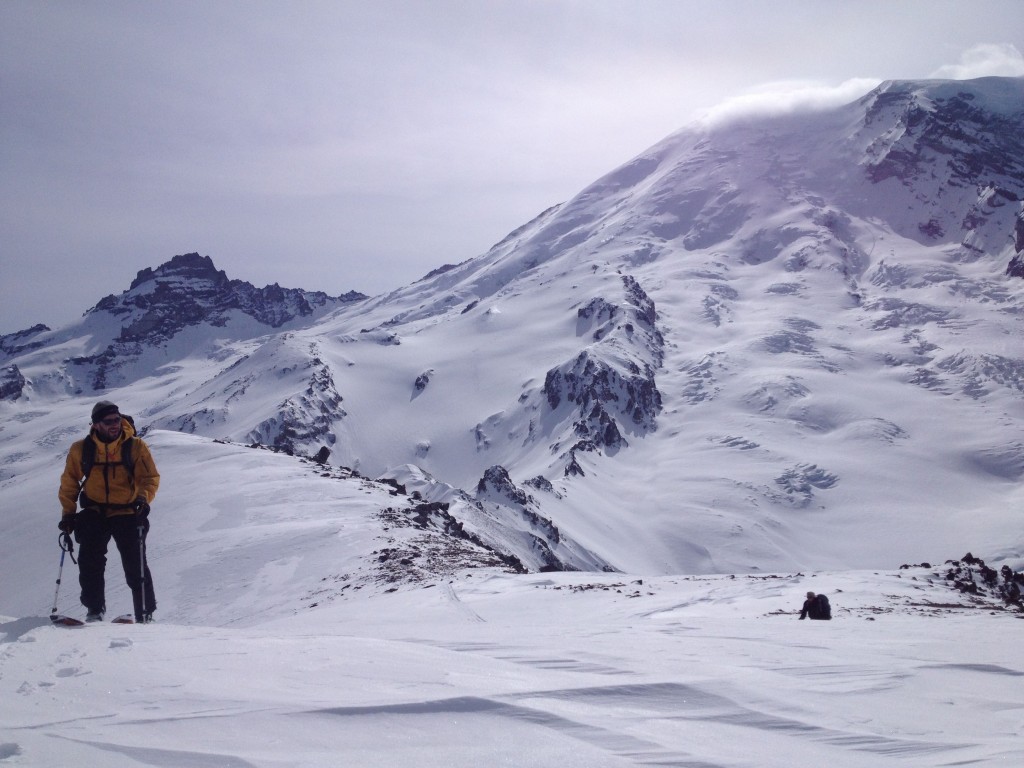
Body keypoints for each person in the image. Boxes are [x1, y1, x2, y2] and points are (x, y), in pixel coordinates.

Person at [58, 401, 160, 622]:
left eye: (117, 420)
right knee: (89, 562)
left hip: (128, 511)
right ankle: (95, 611)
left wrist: (143, 499)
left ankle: (145, 613)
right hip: (95, 510)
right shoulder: (81, 450)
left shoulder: (135, 447)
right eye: (109, 421)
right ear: (95, 425)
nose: (115, 425)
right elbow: (69, 483)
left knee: (136, 564)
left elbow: (149, 478)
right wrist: (68, 514)